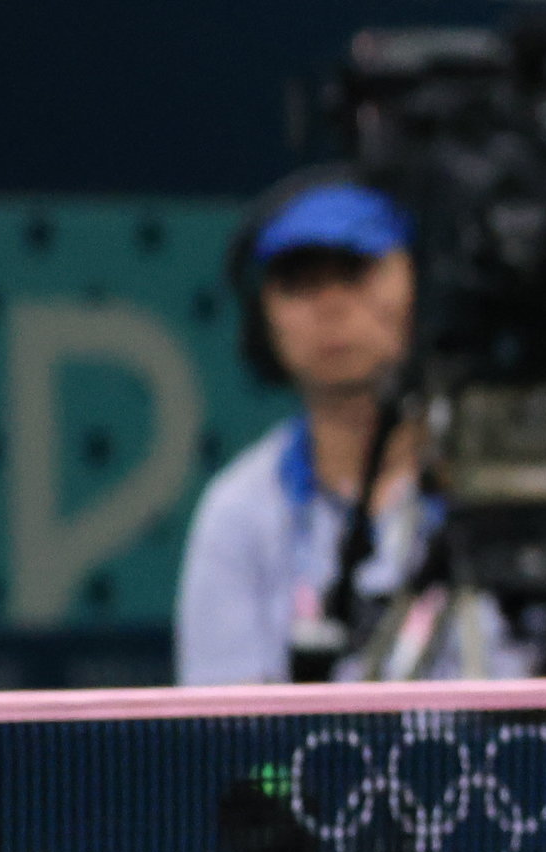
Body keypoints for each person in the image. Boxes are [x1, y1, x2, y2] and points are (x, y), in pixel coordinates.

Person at [173, 179, 475, 683]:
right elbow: (222, 744)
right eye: (300, 283)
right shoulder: (239, 512)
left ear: (419, 287)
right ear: (262, 319)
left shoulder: (502, 490)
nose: (332, 305)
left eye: (357, 272)